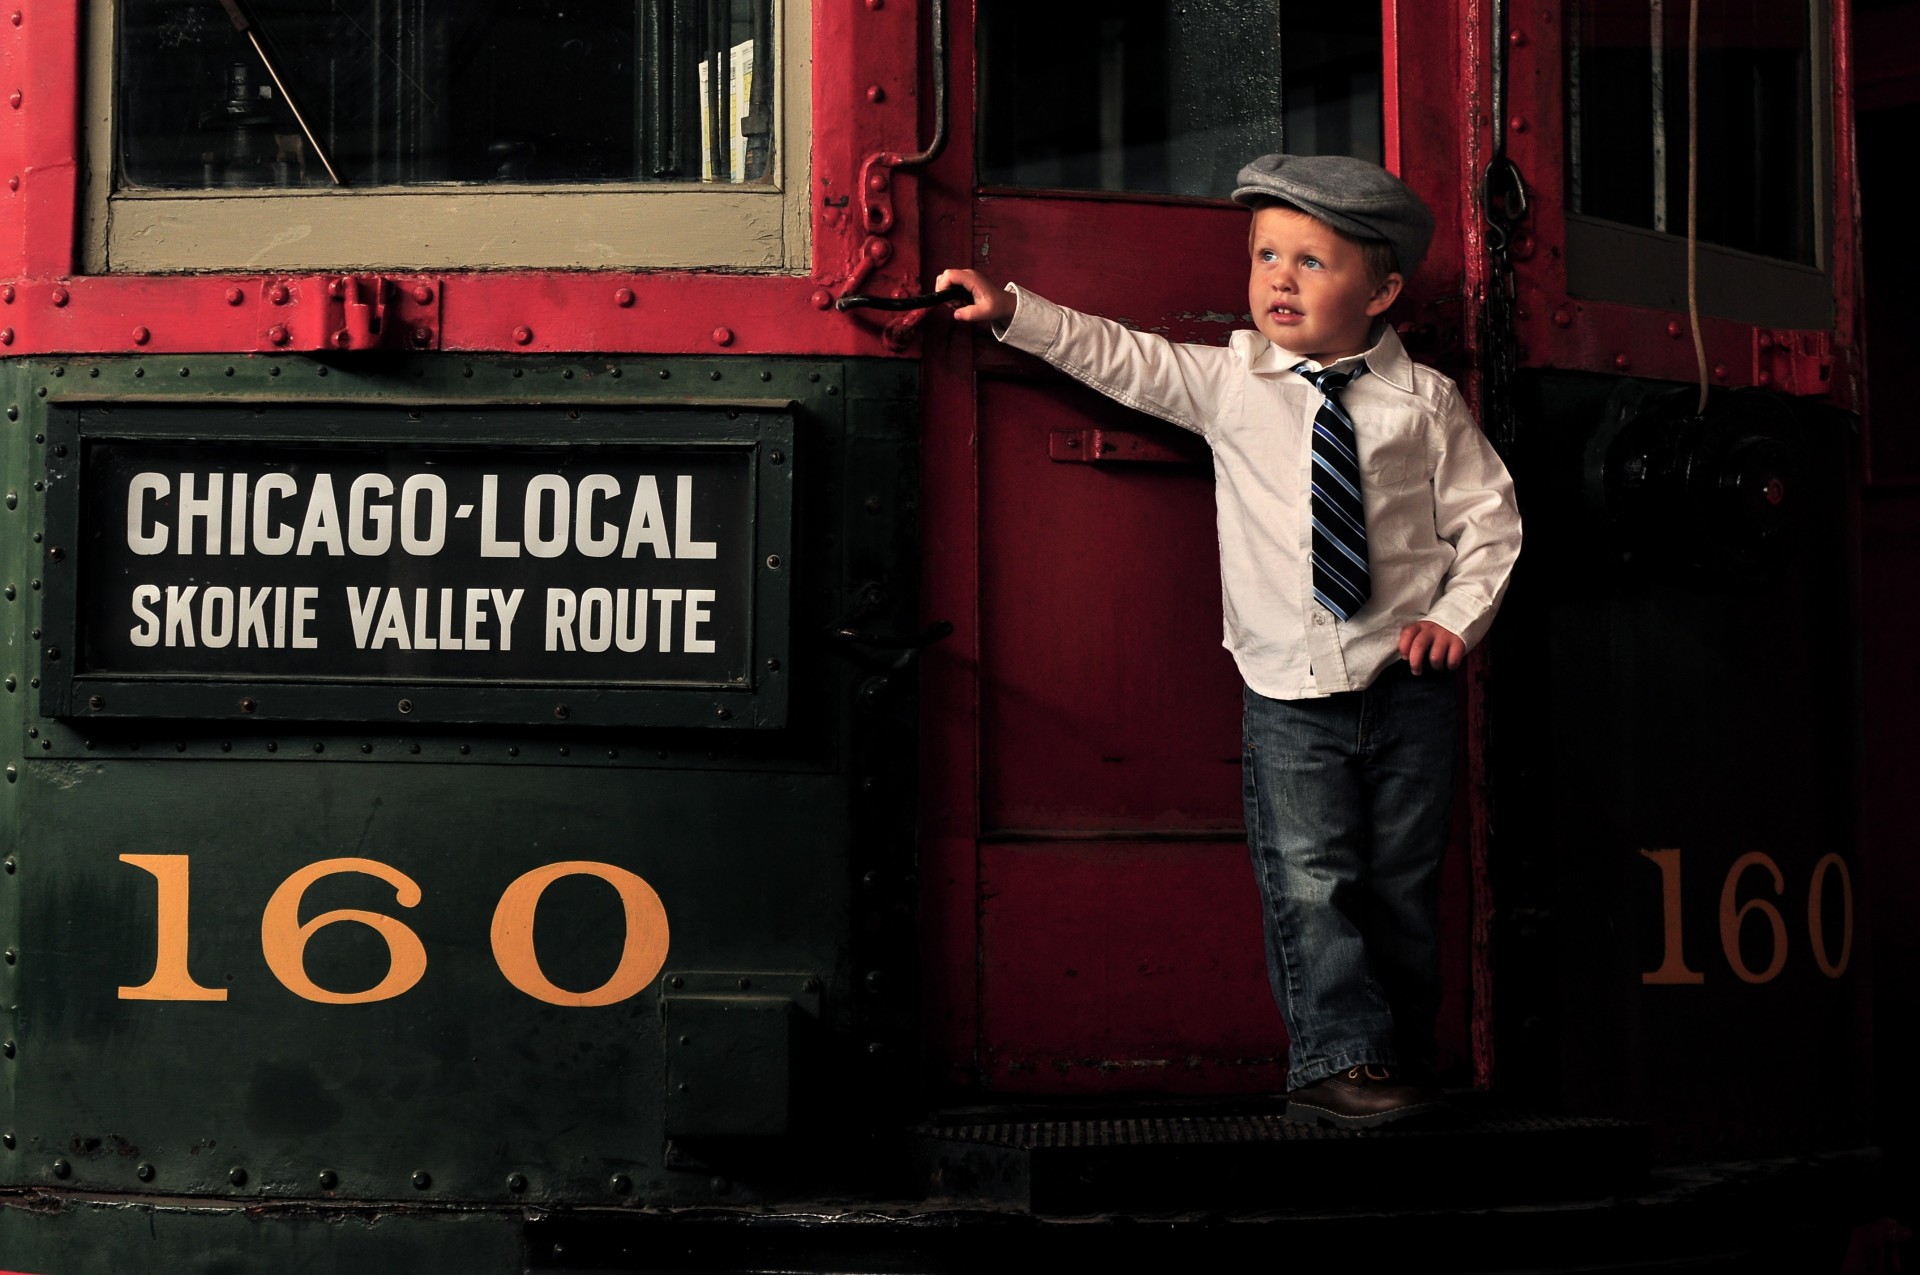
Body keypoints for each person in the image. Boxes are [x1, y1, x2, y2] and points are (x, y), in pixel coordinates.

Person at [937, 153, 1522, 1129]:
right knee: (1311, 879)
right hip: (1288, 692)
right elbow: (1121, 356)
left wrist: (1455, 619)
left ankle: (1402, 1059)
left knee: (1405, 887)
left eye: (1312, 261)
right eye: (1266, 256)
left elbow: (1490, 524)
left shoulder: (1425, 405)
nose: (1279, 280)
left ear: (1380, 289)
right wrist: (1013, 312)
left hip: (1409, 685)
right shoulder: (1233, 383)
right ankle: (1339, 1062)